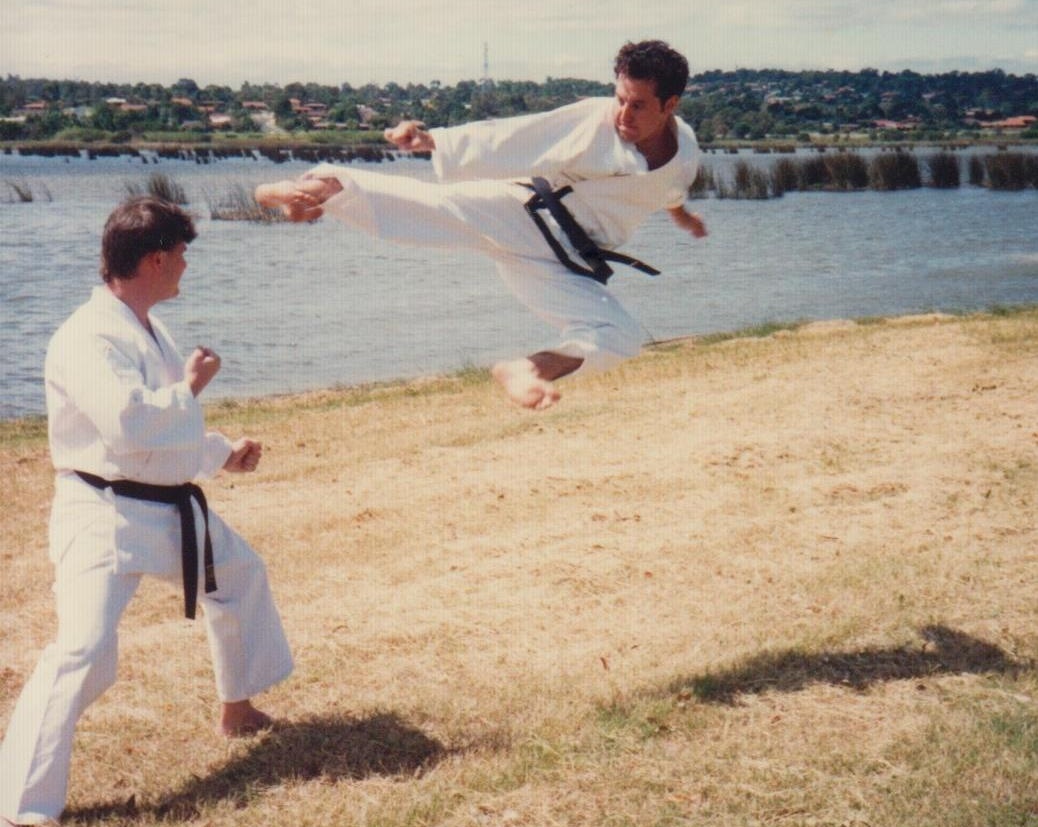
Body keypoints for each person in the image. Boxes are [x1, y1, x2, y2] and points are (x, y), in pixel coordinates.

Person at [0, 197, 293, 827]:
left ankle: (236, 709)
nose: (187, 266)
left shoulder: (143, 325)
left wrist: (218, 453)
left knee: (238, 576)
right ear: (156, 258)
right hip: (104, 512)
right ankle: (23, 808)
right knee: (84, 653)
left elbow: (157, 430)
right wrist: (189, 388)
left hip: (162, 504)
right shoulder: (86, 335)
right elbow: (129, 423)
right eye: (182, 255)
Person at [255, 39, 708, 410]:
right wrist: (434, 141)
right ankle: (306, 190)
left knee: (620, 337)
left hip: (564, 260)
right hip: (524, 213)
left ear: (670, 104)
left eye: (638, 106)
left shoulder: (685, 156)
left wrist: (683, 217)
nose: (623, 115)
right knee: (424, 206)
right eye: (620, 99)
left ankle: (525, 369)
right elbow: (519, 134)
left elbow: (669, 191)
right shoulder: (597, 119)